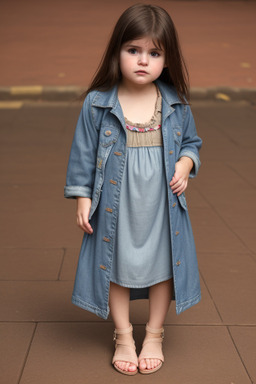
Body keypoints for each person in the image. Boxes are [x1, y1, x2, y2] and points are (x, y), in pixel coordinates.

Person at [64, 3, 202, 376]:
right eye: (133, 50)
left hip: (161, 206)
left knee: (162, 268)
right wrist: (82, 195)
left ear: (167, 59)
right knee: (115, 265)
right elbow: (82, 154)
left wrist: (185, 165)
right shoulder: (97, 105)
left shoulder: (175, 102)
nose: (143, 61)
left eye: (154, 53)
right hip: (116, 205)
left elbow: (191, 143)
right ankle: (123, 334)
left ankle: (154, 333)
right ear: (117, 51)